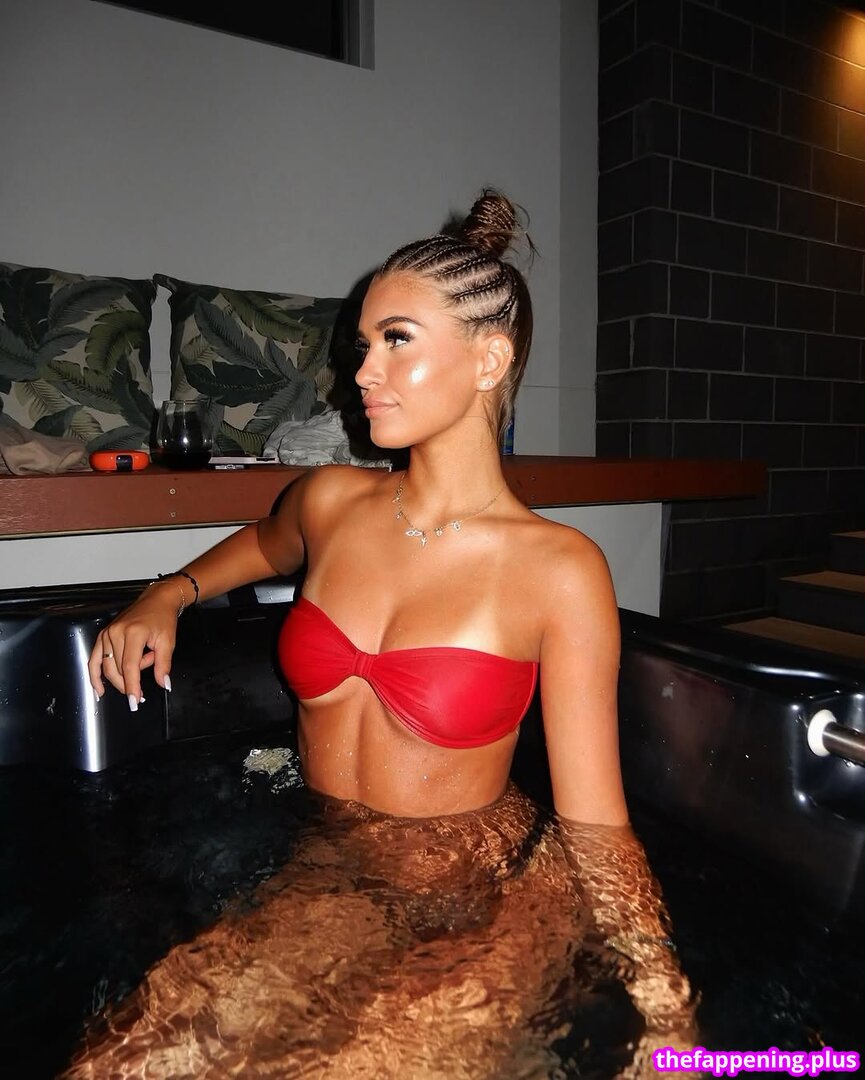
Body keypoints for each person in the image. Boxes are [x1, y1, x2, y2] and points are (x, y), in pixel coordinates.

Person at [70, 190, 696, 1078]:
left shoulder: (558, 569)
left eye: (396, 340)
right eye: (363, 346)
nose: (361, 373)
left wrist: (662, 1000)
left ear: (489, 360)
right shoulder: (331, 502)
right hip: (328, 871)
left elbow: (594, 825)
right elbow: (263, 544)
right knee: (123, 1065)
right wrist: (167, 593)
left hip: (484, 896)